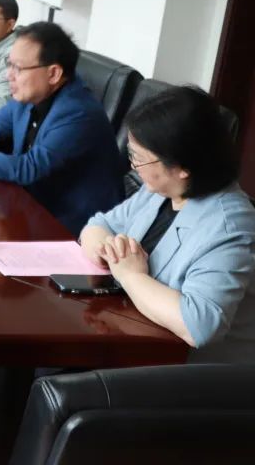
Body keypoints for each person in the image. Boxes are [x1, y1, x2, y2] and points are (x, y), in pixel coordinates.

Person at [80, 86, 255, 362]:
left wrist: (131, 276)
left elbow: (200, 325)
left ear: (183, 167)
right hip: (131, 336)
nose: (133, 166)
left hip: (188, 370)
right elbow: (97, 225)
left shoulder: (229, 227)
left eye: (139, 158)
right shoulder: (159, 191)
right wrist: (108, 249)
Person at [0, 22, 123, 236]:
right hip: (27, 205)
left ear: (53, 73)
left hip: (70, 227)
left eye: (18, 68)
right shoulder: (32, 93)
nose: (9, 75)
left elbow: (30, 168)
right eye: (9, 64)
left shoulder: (77, 113)